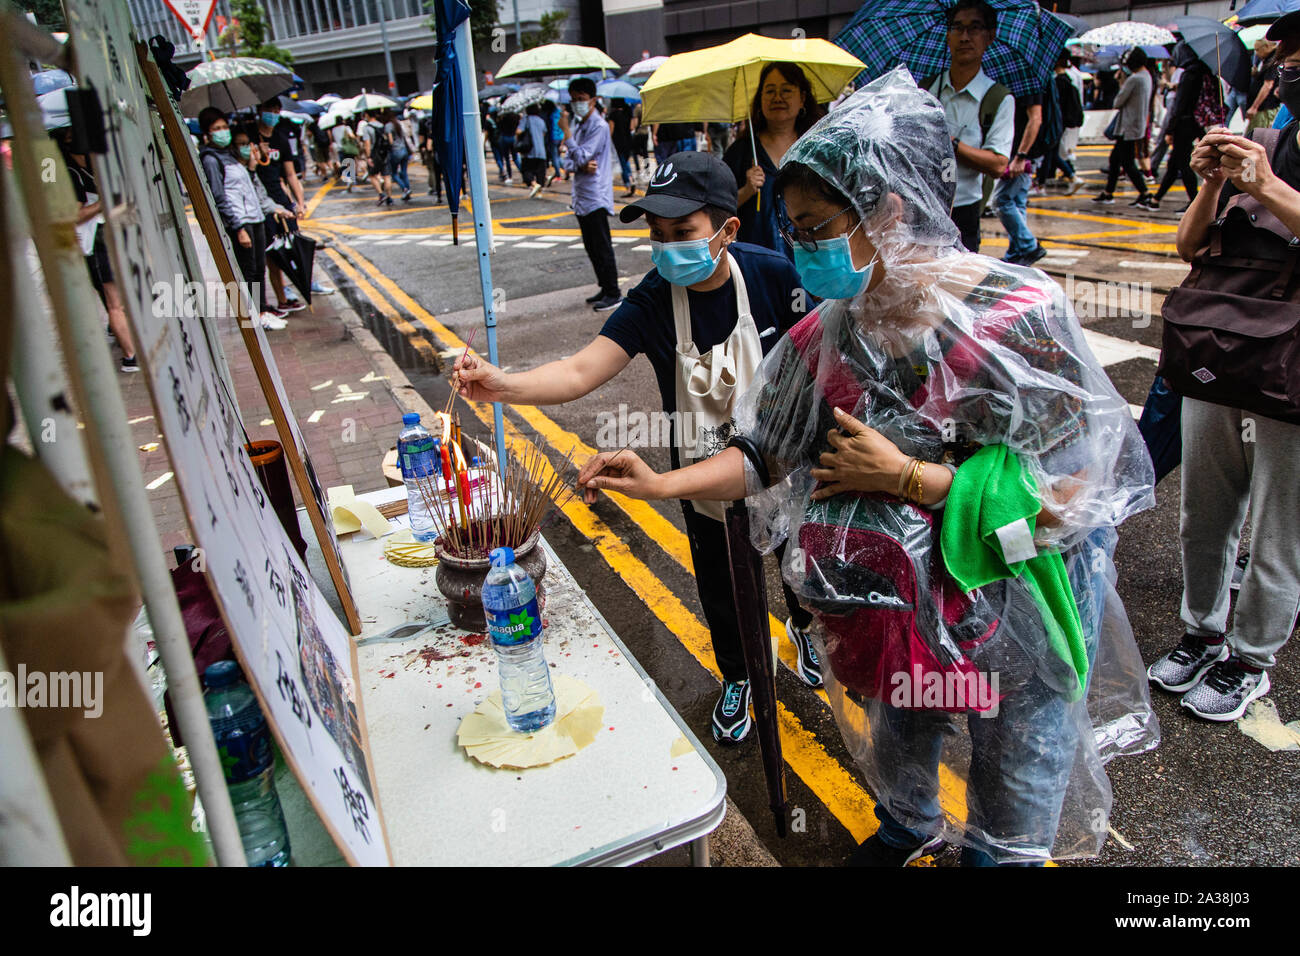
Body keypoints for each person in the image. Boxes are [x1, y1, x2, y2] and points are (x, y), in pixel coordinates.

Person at [575, 68, 1160, 866]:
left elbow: (1080, 496)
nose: (798, 248)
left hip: (1012, 614)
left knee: (1011, 787)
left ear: (888, 211)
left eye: (816, 228)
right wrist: (660, 482)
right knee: (903, 732)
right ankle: (909, 825)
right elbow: (761, 455)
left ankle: (996, 853)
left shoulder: (1015, 320)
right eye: (792, 229)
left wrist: (913, 480)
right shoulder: (825, 337)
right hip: (892, 619)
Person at [452, 151, 825, 743]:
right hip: (700, 472)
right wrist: (499, 384)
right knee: (721, 585)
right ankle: (737, 676)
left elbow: (820, 363)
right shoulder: (653, 298)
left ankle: (804, 628)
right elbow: (578, 372)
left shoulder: (774, 276)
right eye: (657, 235)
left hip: (780, 463)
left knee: (797, 563)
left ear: (727, 230)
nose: (667, 246)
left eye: (683, 233)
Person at [1146, 18, 1300, 722]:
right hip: (1218, 351)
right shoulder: (1264, 140)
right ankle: (1202, 630)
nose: (1289, 71)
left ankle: (1251, 658)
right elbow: (1188, 244)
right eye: (1287, 60)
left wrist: (1264, 185)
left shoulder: (1268, 162)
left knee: (1277, 527)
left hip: (1290, 367)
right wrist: (1211, 183)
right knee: (1204, 512)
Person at [920, 0, 1013, 254]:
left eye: (975, 28)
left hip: (964, 213)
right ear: (947, 36)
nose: (965, 37)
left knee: (958, 289)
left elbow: (998, 164)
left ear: (989, 36)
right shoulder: (924, 90)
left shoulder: (998, 99)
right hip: (920, 208)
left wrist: (951, 144)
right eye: (957, 28)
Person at [197, 108, 293, 329]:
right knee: (248, 270)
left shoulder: (231, 155)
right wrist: (238, 227)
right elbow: (219, 197)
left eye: (224, 127)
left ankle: (261, 311)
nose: (222, 132)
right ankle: (253, 316)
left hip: (255, 217)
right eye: (216, 129)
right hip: (241, 221)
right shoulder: (211, 159)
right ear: (207, 133)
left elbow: (249, 186)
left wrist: (251, 165)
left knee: (259, 268)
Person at [723, 62, 826, 261]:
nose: (777, 98)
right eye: (770, 91)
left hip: (811, 262)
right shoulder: (742, 151)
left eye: (786, 90)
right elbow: (718, 210)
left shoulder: (817, 148)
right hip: (758, 265)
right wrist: (746, 191)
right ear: (760, 99)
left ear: (802, 98)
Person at [56, 125, 138, 371]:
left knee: (120, 297)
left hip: (114, 234)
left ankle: (121, 334)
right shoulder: (67, 172)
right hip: (96, 241)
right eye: (69, 137)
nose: (76, 140)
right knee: (115, 302)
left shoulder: (95, 162)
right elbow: (73, 214)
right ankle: (130, 356)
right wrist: (102, 203)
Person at [558, 79, 622, 311]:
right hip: (582, 196)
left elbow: (582, 156)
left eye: (581, 99)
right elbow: (569, 161)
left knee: (601, 245)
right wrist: (579, 162)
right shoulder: (578, 125)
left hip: (595, 195)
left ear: (593, 100)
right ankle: (605, 287)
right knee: (591, 246)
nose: (577, 104)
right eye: (573, 99)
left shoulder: (598, 126)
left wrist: (567, 135)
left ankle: (614, 292)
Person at [248, 98, 307, 313]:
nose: (273, 114)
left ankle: (290, 292)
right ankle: (276, 300)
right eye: (268, 109)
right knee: (270, 256)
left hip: (279, 198)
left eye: (276, 110)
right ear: (260, 110)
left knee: (291, 248)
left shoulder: (281, 138)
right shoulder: (249, 136)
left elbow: (290, 174)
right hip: (258, 202)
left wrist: (299, 203)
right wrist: (255, 153)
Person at [1145, 45, 1210, 211]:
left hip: (1184, 124)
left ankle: (1194, 203)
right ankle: (1156, 200)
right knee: (1174, 164)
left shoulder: (1189, 74)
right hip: (1194, 123)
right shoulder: (1203, 71)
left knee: (1182, 162)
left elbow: (1180, 106)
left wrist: (1170, 129)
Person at [1093, 48, 1155, 207]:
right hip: (1135, 125)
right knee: (1115, 159)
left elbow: (1118, 102)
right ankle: (1108, 192)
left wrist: (1121, 80)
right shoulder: (1147, 76)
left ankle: (1144, 193)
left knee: (1127, 162)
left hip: (1127, 127)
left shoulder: (1134, 79)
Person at [992, 81, 1045, 265]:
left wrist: (1021, 156)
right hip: (1023, 153)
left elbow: (1035, 119)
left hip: (1023, 155)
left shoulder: (1029, 85)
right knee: (1017, 203)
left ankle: (1029, 246)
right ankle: (1016, 254)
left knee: (1001, 200)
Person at [1036, 53, 1086, 195]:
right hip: (1062, 123)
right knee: (1052, 153)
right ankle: (1071, 177)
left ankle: (1044, 184)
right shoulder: (1069, 79)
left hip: (1055, 122)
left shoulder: (1058, 82)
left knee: (1050, 153)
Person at [357, 110, 393, 206]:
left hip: (374, 154)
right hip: (384, 153)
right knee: (387, 176)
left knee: (372, 175)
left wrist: (368, 157)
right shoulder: (382, 126)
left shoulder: (367, 128)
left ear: (367, 115)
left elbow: (367, 144)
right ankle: (389, 197)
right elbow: (389, 140)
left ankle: (381, 194)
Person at [608, 97, 637, 197]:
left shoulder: (613, 115)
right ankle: (631, 179)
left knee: (623, 164)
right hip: (628, 141)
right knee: (626, 162)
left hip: (618, 143)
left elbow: (610, 131)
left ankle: (629, 184)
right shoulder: (628, 111)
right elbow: (632, 127)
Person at [518, 103, 549, 197]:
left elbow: (518, 131)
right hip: (541, 150)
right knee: (540, 172)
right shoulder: (541, 121)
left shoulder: (525, 119)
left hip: (529, 150)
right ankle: (539, 192)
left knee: (526, 170)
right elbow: (544, 133)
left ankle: (534, 184)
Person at [386, 110, 413, 201]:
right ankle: (408, 189)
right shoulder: (398, 123)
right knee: (404, 172)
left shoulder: (388, 126)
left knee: (393, 173)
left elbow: (390, 141)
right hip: (404, 150)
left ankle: (404, 189)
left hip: (396, 151)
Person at [418, 111, 443, 202]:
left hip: (436, 155)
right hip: (446, 154)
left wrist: (427, 150)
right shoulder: (445, 127)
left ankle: (438, 193)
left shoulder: (430, 130)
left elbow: (428, 146)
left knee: (435, 172)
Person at [496, 109, 518, 185]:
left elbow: (499, 127)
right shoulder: (515, 117)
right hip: (513, 137)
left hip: (505, 138)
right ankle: (523, 172)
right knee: (515, 158)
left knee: (507, 159)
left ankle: (510, 176)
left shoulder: (503, 118)